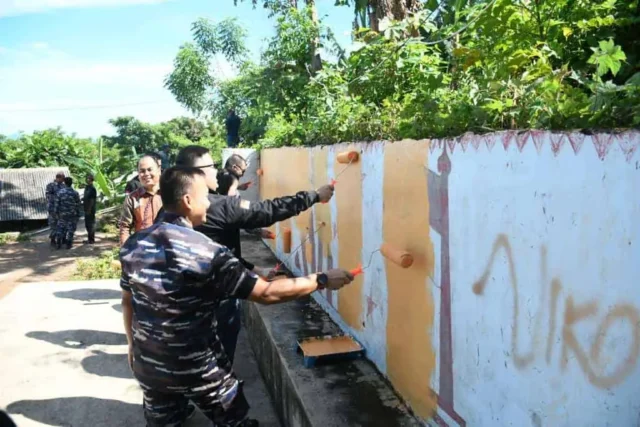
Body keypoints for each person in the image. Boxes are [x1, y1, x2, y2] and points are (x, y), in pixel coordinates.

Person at [120, 166, 353, 427]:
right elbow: (266, 293)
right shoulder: (206, 252)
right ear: (187, 201)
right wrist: (320, 279)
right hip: (197, 366)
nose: (209, 202)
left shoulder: (134, 245)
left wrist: (132, 345)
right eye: (205, 196)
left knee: (165, 421)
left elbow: (127, 301)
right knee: (234, 420)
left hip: (148, 364)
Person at [170, 145, 334, 363]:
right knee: (215, 364)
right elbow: (265, 211)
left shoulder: (164, 217)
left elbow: (219, 253)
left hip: (174, 327)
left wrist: (255, 269)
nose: (217, 171)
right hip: (214, 309)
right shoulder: (214, 207)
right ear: (196, 173)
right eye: (212, 166)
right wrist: (313, 196)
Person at [118, 154, 163, 246]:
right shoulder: (133, 198)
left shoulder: (171, 194)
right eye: (142, 171)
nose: (146, 174)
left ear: (159, 170)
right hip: (142, 250)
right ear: (138, 174)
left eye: (150, 170)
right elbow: (125, 227)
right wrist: (126, 251)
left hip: (167, 249)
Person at [54, 177, 81, 249]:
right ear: (71, 183)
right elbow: (78, 204)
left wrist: (56, 213)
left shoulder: (60, 192)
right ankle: (69, 244)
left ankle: (58, 243)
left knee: (60, 228)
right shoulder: (75, 193)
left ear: (64, 183)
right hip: (72, 214)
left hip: (62, 214)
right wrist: (78, 213)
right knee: (71, 229)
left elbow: (57, 203)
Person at [45, 172, 65, 246]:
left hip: (62, 209)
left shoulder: (64, 186)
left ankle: (62, 239)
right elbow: (48, 196)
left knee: (62, 224)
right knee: (53, 224)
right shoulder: (51, 186)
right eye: (62, 178)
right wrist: (58, 198)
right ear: (58, 178)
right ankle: (53, 239)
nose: (63, 180)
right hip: (53, 208)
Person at [83, 174, 98, 244]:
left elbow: (92, 200)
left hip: (90, 209)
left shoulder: (92, 189)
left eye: (89, 178)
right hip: (86, 208)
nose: (87, 180)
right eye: (87, 178)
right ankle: (89, 238)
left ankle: (91, 239)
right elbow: (87, 197)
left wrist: (89, 209)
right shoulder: (87, 187)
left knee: (91, 224)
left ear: (92, 180)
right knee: (87, 224)